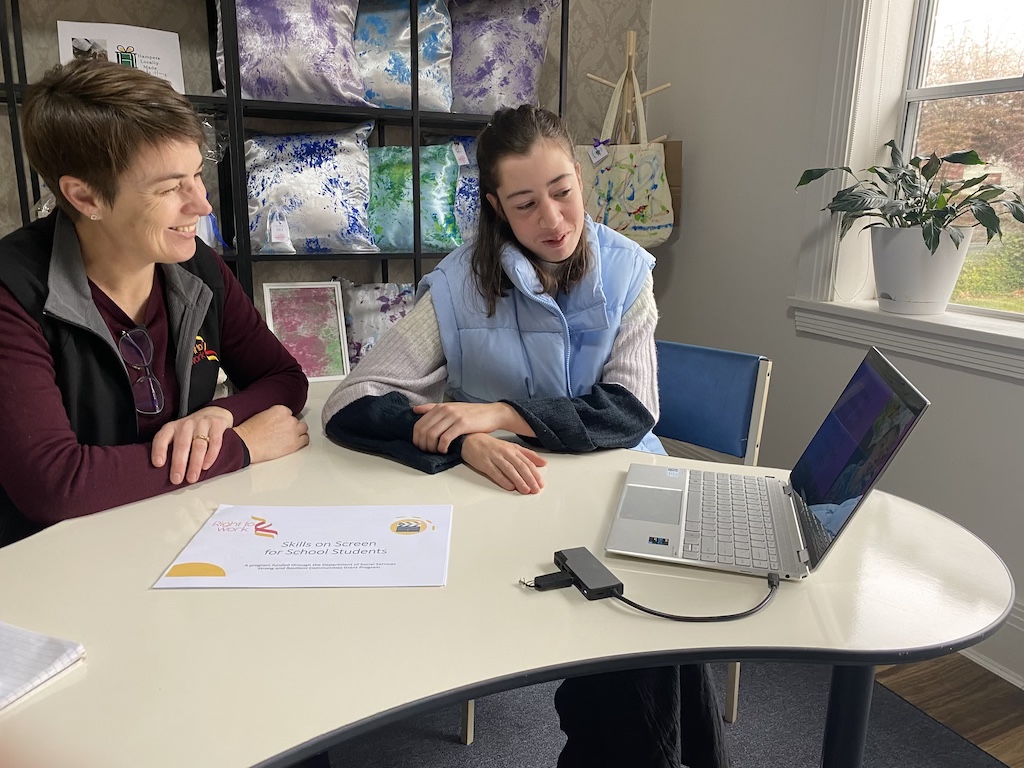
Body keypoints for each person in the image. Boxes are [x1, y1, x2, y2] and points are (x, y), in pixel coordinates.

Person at [322, 105, 727, 768]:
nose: (554, 219)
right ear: (496, 207)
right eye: (526, 203)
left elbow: (629, 411)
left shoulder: (629, 275)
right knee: (645, 654)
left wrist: (503, 414)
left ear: (580, 180)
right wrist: (458, 440)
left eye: (564, 191)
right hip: (514, 507)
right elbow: (354, 401)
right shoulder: (456, 289)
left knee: (653, 641)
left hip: (620, 493)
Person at [0, 59, 310, 547]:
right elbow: (54, 484)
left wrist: (220, 416)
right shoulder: (13, 294)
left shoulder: (197, 268)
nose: (202, 205)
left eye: (195, 176)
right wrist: (239, 446)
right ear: (85, 198)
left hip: (175, 533)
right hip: (54, 565)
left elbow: (284, 379)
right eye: (170, 188)